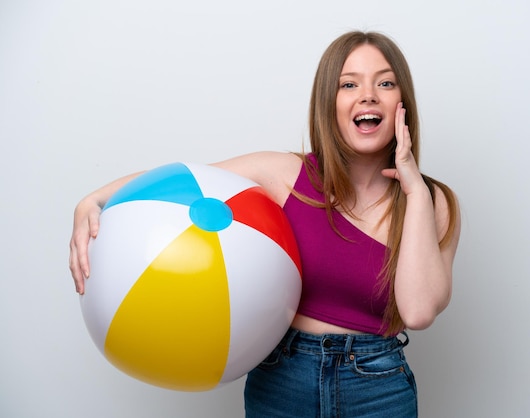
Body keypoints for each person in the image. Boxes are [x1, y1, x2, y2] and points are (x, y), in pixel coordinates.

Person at [69, 30, 461, 417]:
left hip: (378, 387)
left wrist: (414, 188)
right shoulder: (286, 175)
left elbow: (419, 312)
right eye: (348, 84)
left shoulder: (432, 202)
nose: (368, 94)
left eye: (386, 82)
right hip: (282, 380)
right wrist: (94, 199)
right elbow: (184, 180)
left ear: (402, 103)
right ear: (329, 103)